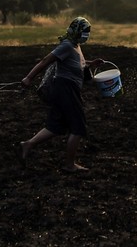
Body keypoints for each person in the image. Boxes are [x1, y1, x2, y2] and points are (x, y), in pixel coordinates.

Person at [18, 16, 105, 173]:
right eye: (85, 31)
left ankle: (28, 144)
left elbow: (78, 63)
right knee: (78, 127)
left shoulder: (75, 45)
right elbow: (45, 60)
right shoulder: (66, 45)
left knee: (56, 125)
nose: (87, 34)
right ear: (77, 30)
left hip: (66, 89)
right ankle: (69, 165)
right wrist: (29, 78)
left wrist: (92, 63)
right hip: (66, 88)